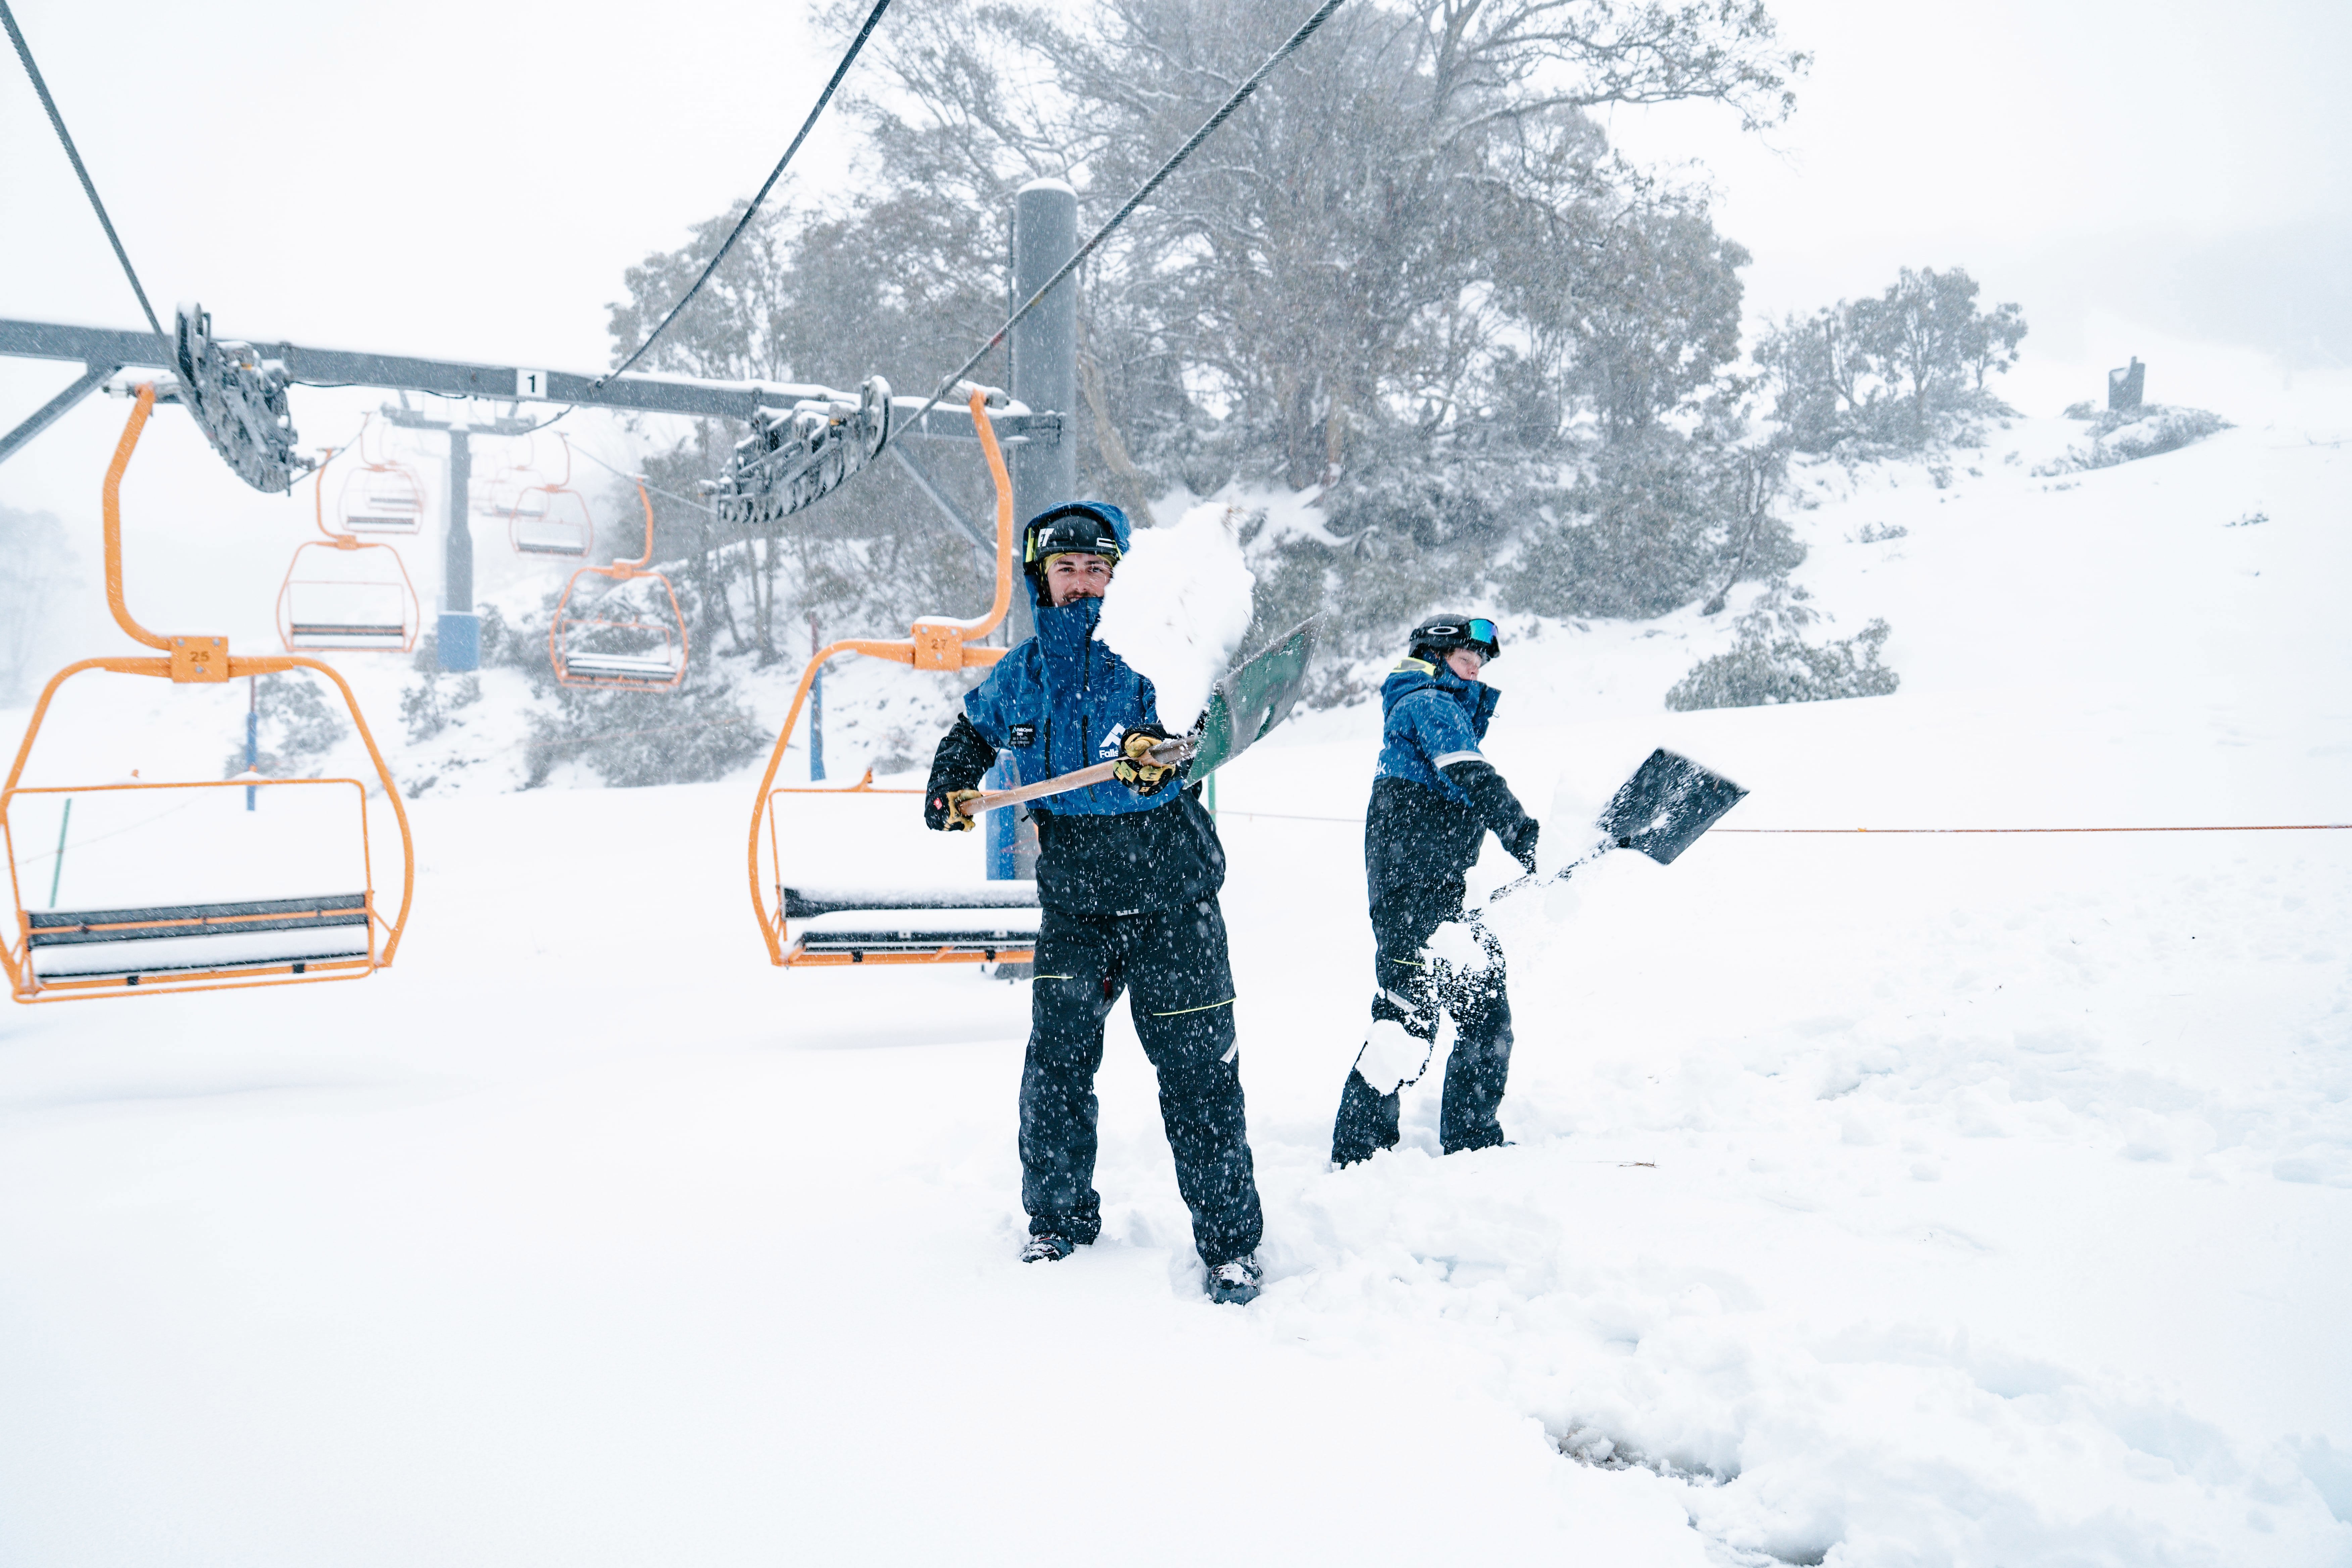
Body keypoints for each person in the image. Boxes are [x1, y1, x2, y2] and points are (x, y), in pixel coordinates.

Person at [923, 501, 1267, 1306]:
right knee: (1057, 1068)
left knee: (1199, 1076)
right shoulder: (1025, 673)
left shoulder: (1152, 651)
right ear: (1042, 577)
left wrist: (1170, 755)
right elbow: (971, 733)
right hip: (1076, 907)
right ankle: (1058, 1219)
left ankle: (1230, 1245)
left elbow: (1211, 723)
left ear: (1120, 576)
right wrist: (951, 784)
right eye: (1066, 569)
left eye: (1096, 569)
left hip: (1172, 898)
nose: (1081, 584)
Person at [1330, 615, 1540, 1167]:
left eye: (1480, 664)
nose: (1475, 673)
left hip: (1438, 896)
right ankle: (1360, 1158)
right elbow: (1471, 773)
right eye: (1466, 660)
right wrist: (1525, 834)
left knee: (1476, 1011)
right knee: (1408, 1019)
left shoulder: (1437, 707)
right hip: (1410, 895)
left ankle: (1466, 1141)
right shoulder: (1428, 704)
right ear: (1434, 654)